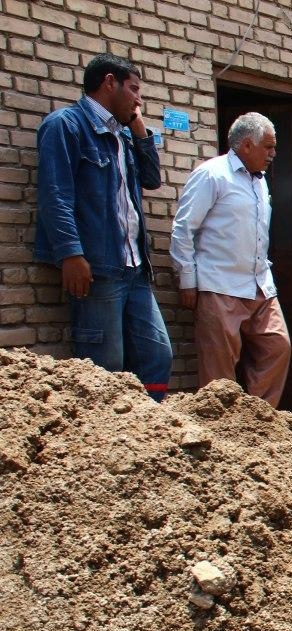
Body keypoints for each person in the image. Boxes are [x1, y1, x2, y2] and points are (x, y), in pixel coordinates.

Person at [34, 53, 172, 401]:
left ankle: (151, 426)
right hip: (97, 269)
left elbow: (152, 179)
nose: (139, 100)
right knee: (105, 367)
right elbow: (55, 195)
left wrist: (139, 130)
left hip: (134, 268)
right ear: (110, 82)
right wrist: (70, 254)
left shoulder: (122, 136)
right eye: (134, 89)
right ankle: (106, 433)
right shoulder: (66, 125)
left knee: (157, 355)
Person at [170, 112, 290, 405]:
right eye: (268, 147)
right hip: (219, 284)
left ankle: (258, 419)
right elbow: (183, 229)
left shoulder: (260, 181)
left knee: (278, 347)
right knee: (219, 372)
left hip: (259, 285)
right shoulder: (212, 174)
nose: (273, 154)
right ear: (247, 145)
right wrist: (187, 280)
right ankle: (222, 427)